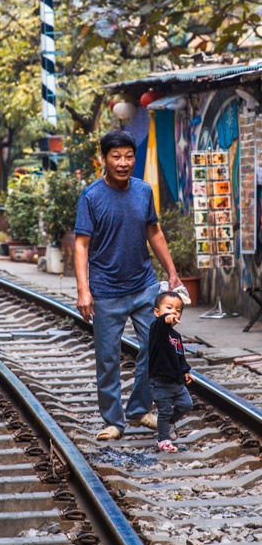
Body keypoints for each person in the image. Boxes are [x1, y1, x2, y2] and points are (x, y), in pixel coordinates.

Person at [74, 129, 182, 441]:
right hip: (106, 291)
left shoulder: (144, 190)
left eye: (128, 156)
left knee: (156, 347)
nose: (123, 163)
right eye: (116, 157)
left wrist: (172, 272)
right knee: (107, 358)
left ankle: (138, 409)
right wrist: (84, 290)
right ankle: (113, 420)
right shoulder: (91, 196)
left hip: (144, 285)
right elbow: (81, 245)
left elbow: (155, 232)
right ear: (103, 159)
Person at [149, 290, 193, 453]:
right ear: (157, 312)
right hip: (160, 381)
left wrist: (185, 371)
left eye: (178, 310)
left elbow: (180, 356)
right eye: (169, 308)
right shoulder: (157, 330)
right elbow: (161, 325)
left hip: (176, 381)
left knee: (186, 405)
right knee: (165, 410)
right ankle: (163, 440)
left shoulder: (176, 335)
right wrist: (164, 320)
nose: (174, 312)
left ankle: (167, 424)